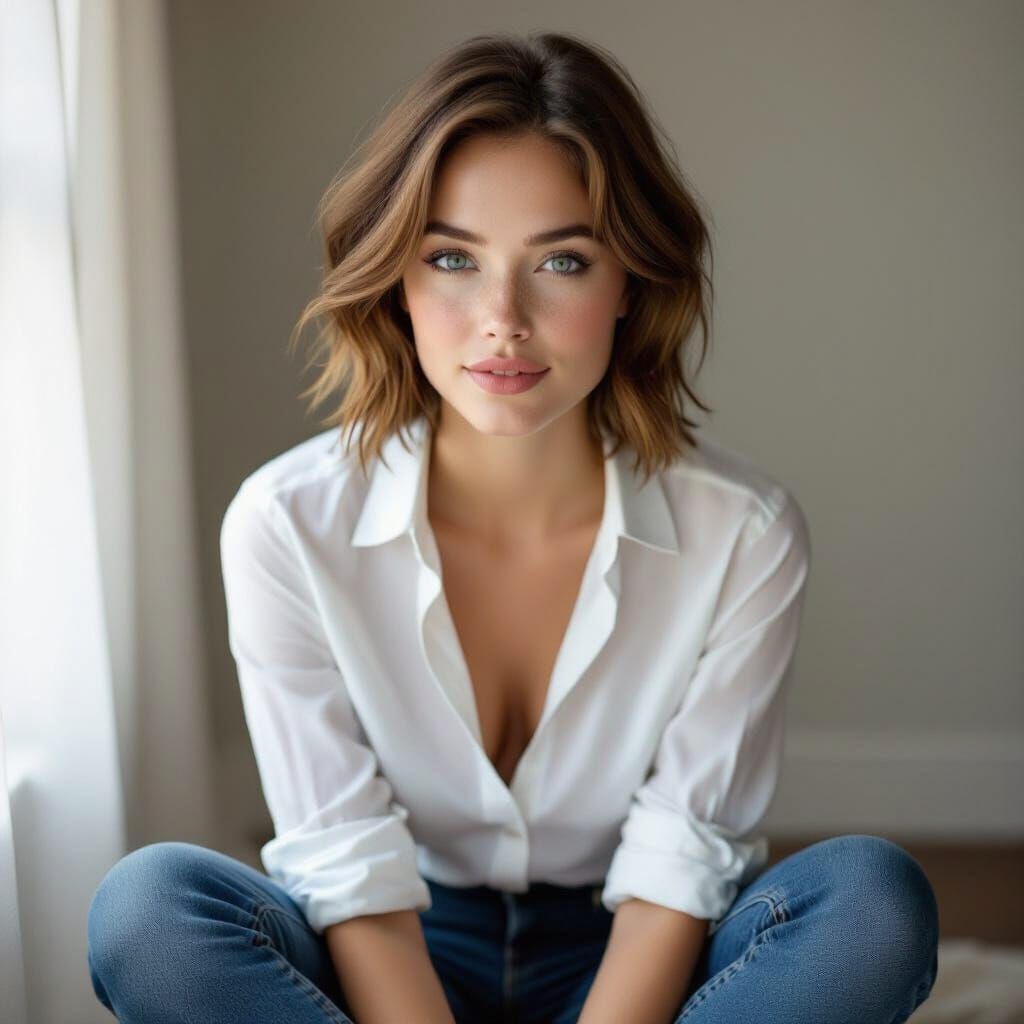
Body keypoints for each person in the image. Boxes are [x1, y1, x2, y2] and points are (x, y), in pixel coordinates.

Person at [86, 30, 939, 1024]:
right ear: (397, 281)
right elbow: (346, 863)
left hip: (632, 948)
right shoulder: (287, 525)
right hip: (394, 945)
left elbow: (678, 862)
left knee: (871, 902)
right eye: (451, 256)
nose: (502, 316)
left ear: (630, 284)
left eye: (562, 261)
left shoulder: (741, 535)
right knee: (148, 909)